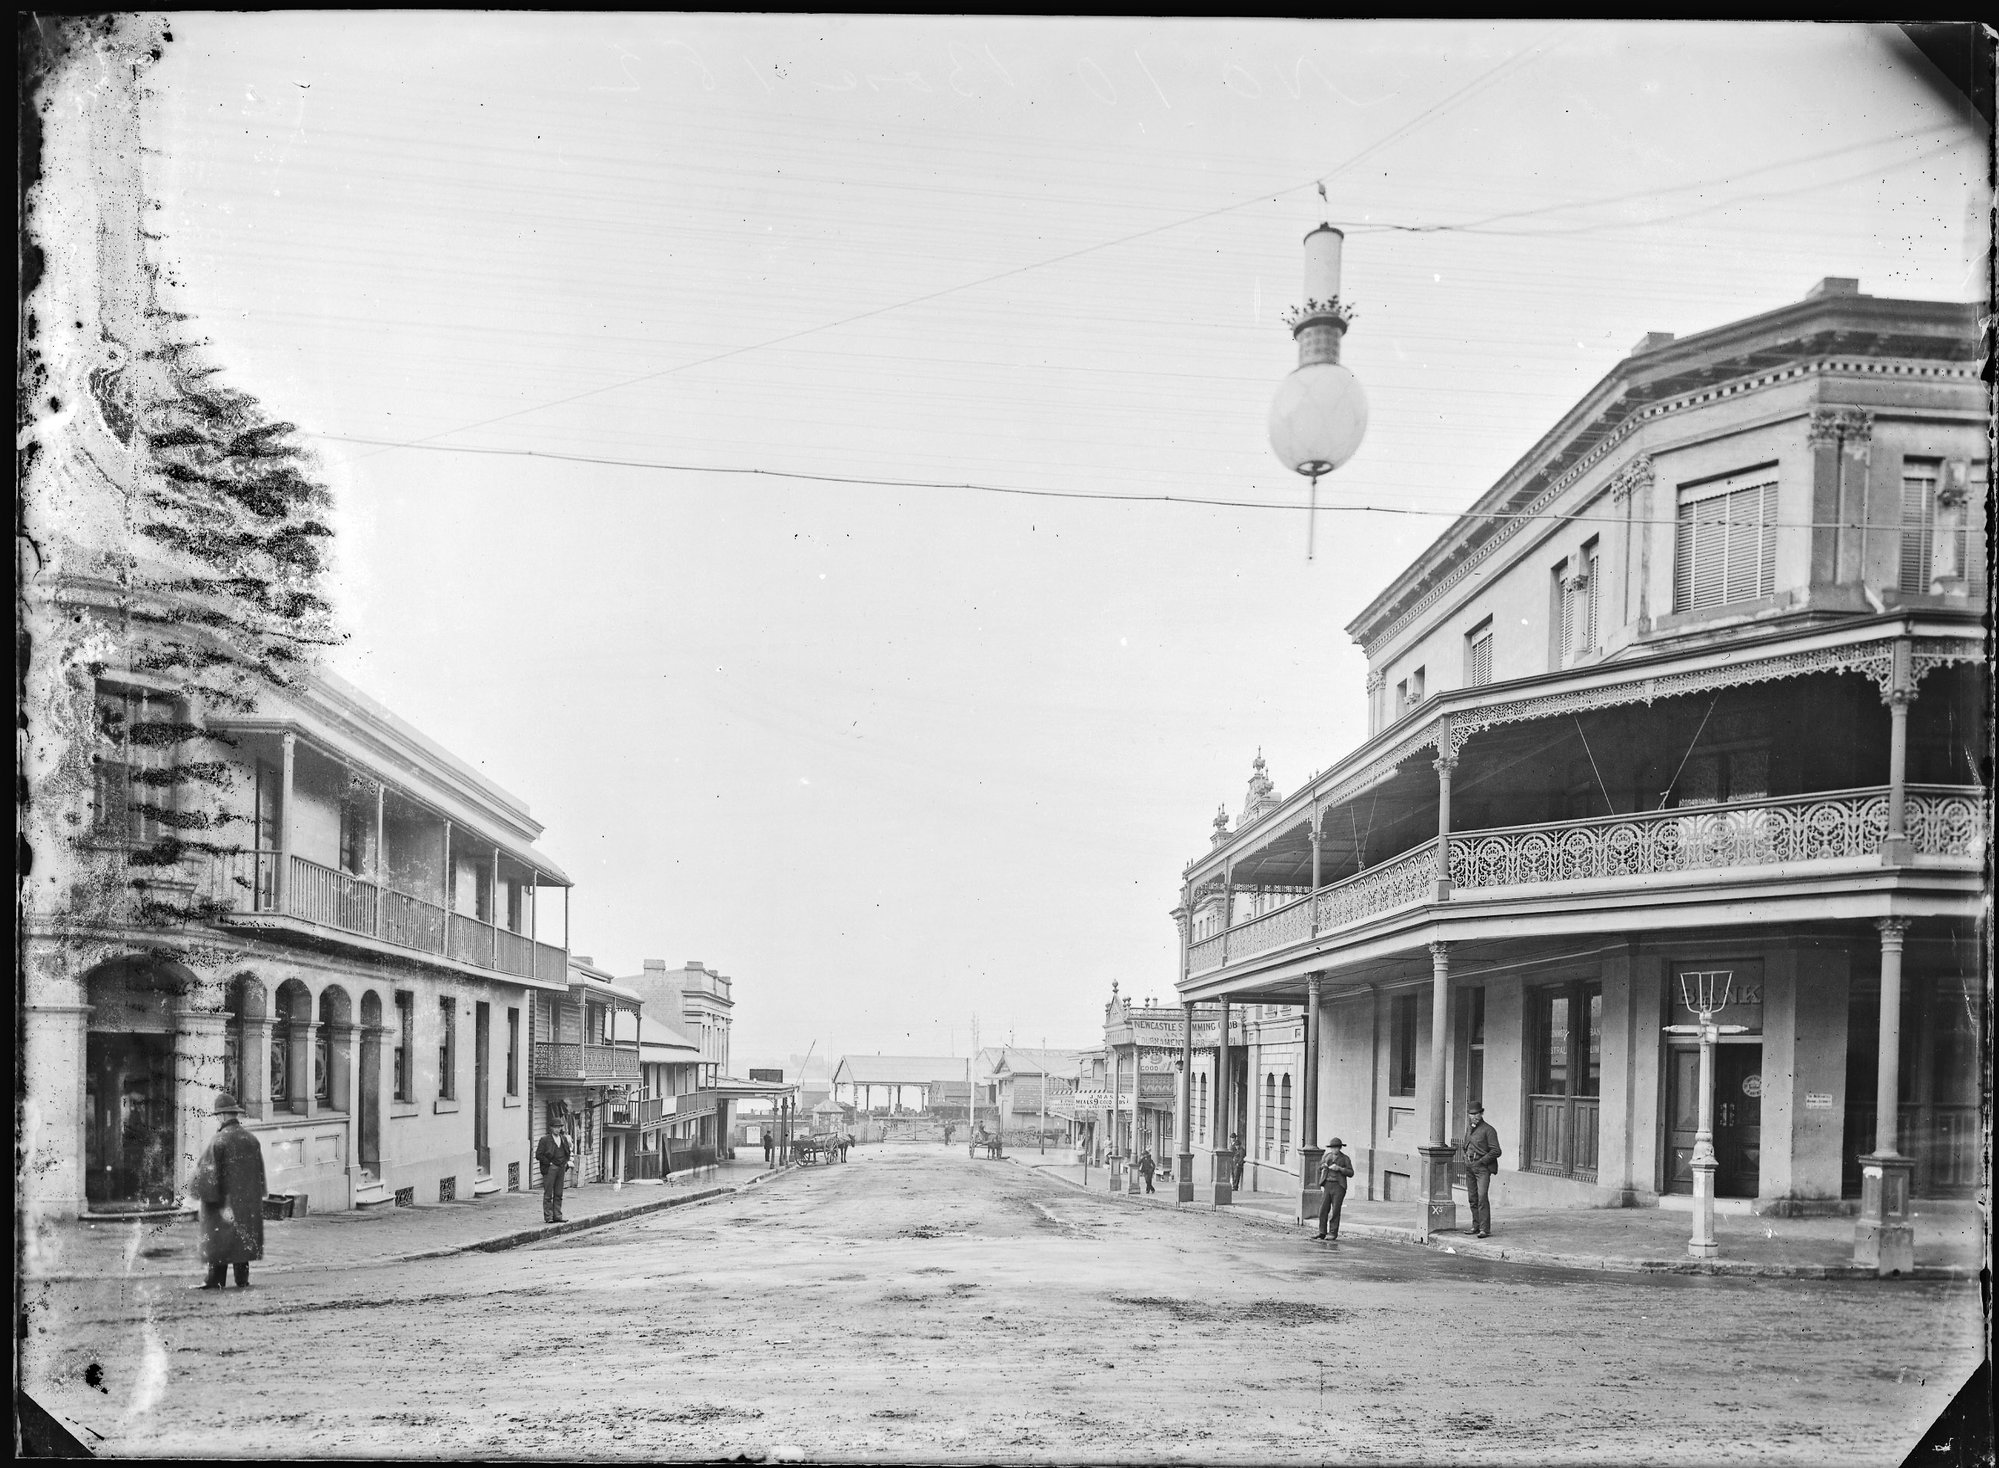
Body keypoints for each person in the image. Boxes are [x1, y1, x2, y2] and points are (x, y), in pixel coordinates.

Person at [193, 1093, 265, 1289]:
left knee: (218, 1239)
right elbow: (259, 1175)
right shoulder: (251, 1140)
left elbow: (207, 1173)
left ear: (223, 1116)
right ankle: (242, 1279)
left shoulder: (219, 1141)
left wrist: (204, 1195)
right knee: (241, 1239)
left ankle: (215, 1279)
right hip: (245, 1202)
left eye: (218, 1115)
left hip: (222, 1202)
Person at [1460, 1102, 1502, 1238]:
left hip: (1482, 1168)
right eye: (1471, 1114)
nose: (1474, 1116)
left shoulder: (1488, 1130)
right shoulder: (1469, 1129)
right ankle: (1476, 1226)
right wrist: (1465, 1158)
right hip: (1469, 1166)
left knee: (1482, 1197)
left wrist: (1481, 1161)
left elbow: (1496, 1151)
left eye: (1477, 1113)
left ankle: (1484, 1229)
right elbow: (1465, 1145)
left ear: (1481, 1113)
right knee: (1472, 1197)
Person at [1315, 1137, 1355, 1241]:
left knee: (1336, 1210)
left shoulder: (1345, 1158)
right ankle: (1322, 1232)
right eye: (1332, 1148)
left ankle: (1333, 1233)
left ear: (1340, 1148)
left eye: (1336, 1148)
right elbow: (1318, 1167)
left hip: (1339, 1186)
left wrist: (1340, 1169)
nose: (1334, 1150)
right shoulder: (1327, 1156)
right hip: (1327, 1185)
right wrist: (1322, 1166)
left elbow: (1351, 1173)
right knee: (1323, 1210)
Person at [535, 1124, 573, 1223]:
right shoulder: (544, 1139)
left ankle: (558, 1215)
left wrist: (565, 1163)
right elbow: (538, 1155)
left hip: (561, 1168)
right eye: (555, 1127)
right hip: (550, 1168)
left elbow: (567, 1152)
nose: (557, 1129)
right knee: (548, 1194)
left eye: (559, 1127)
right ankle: (549, 1217)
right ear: (551, 1128)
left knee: (559, 1193)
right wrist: (549, 1163)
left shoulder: (563, 1138)